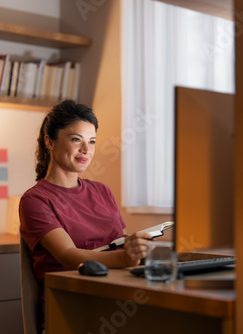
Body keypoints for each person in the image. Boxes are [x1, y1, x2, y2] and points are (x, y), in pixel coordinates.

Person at [19, 100, 151, 332]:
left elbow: (117, 244)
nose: (86, 150)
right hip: (71, 308)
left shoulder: (102, 191)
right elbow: (69, 255)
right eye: (76, 140)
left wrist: (136, 247)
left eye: (91, 142)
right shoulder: (35, 200)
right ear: (49, 141)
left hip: (115, 299)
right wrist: (125, 259)